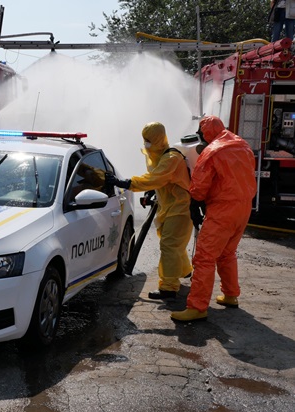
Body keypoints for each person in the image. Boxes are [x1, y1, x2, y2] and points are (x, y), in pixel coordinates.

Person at [171, 115, 257, 322]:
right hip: (243, 207)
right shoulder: (242, 145)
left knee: (204, 258)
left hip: (222, 210)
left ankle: (197, 307)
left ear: (206, 133)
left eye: (202, 134)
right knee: (227, 253)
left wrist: (195, 202)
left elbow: (199, 186)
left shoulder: (212, 151)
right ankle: (230, 295)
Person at [106, 122, 193, 299]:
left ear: (158, 139)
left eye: (148, 140)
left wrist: (126, 183)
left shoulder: (171, 158)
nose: (145, 144)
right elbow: (161, 181)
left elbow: (155, 177)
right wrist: (152, 192)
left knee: (169, 245)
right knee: (174, 244)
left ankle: (168, 288)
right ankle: (184, 270)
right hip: (170, 207)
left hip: (181, 209)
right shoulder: (159, 156)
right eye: (144, 140)